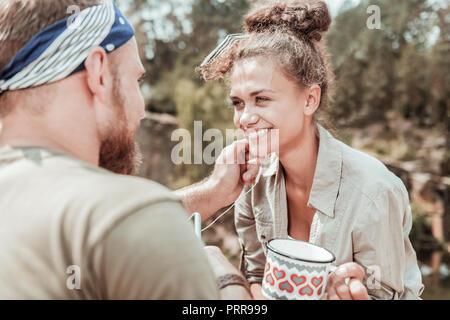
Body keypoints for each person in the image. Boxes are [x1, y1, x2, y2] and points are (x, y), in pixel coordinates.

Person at [0, 0, 257, 299]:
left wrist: (212, 192)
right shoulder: (135, 216)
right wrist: (226, 279)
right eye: (136, 80)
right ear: (98, 73)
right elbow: (123, 222)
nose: (142, 108)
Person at [198, 0, 424, 300]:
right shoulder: (252, 183)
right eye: (238, 103)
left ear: (310, 100)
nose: (245, 118)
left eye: (262, 99)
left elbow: (386, 293)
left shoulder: (375, 193)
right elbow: (255, 275)